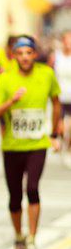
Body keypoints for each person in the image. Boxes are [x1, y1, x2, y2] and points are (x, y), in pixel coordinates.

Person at [0, 36, 62, 249]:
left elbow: (56, 101)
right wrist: (10, 102)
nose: (25, 57)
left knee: (33, 188)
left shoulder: (46, 74)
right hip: (12, 146)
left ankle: (32, 240)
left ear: (35, 54)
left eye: (29, 52)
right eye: (21, 53)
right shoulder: (4, 79)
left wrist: (55, 134)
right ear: (14, 55)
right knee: (15, 196)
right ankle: (19, 238)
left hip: (38, 143)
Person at [50, 30, 71, 167]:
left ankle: (69, 149)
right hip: (60, 96)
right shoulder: (56, 57)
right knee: (62, 127)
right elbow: (49, 74)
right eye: (66, 40)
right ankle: (63, 141)